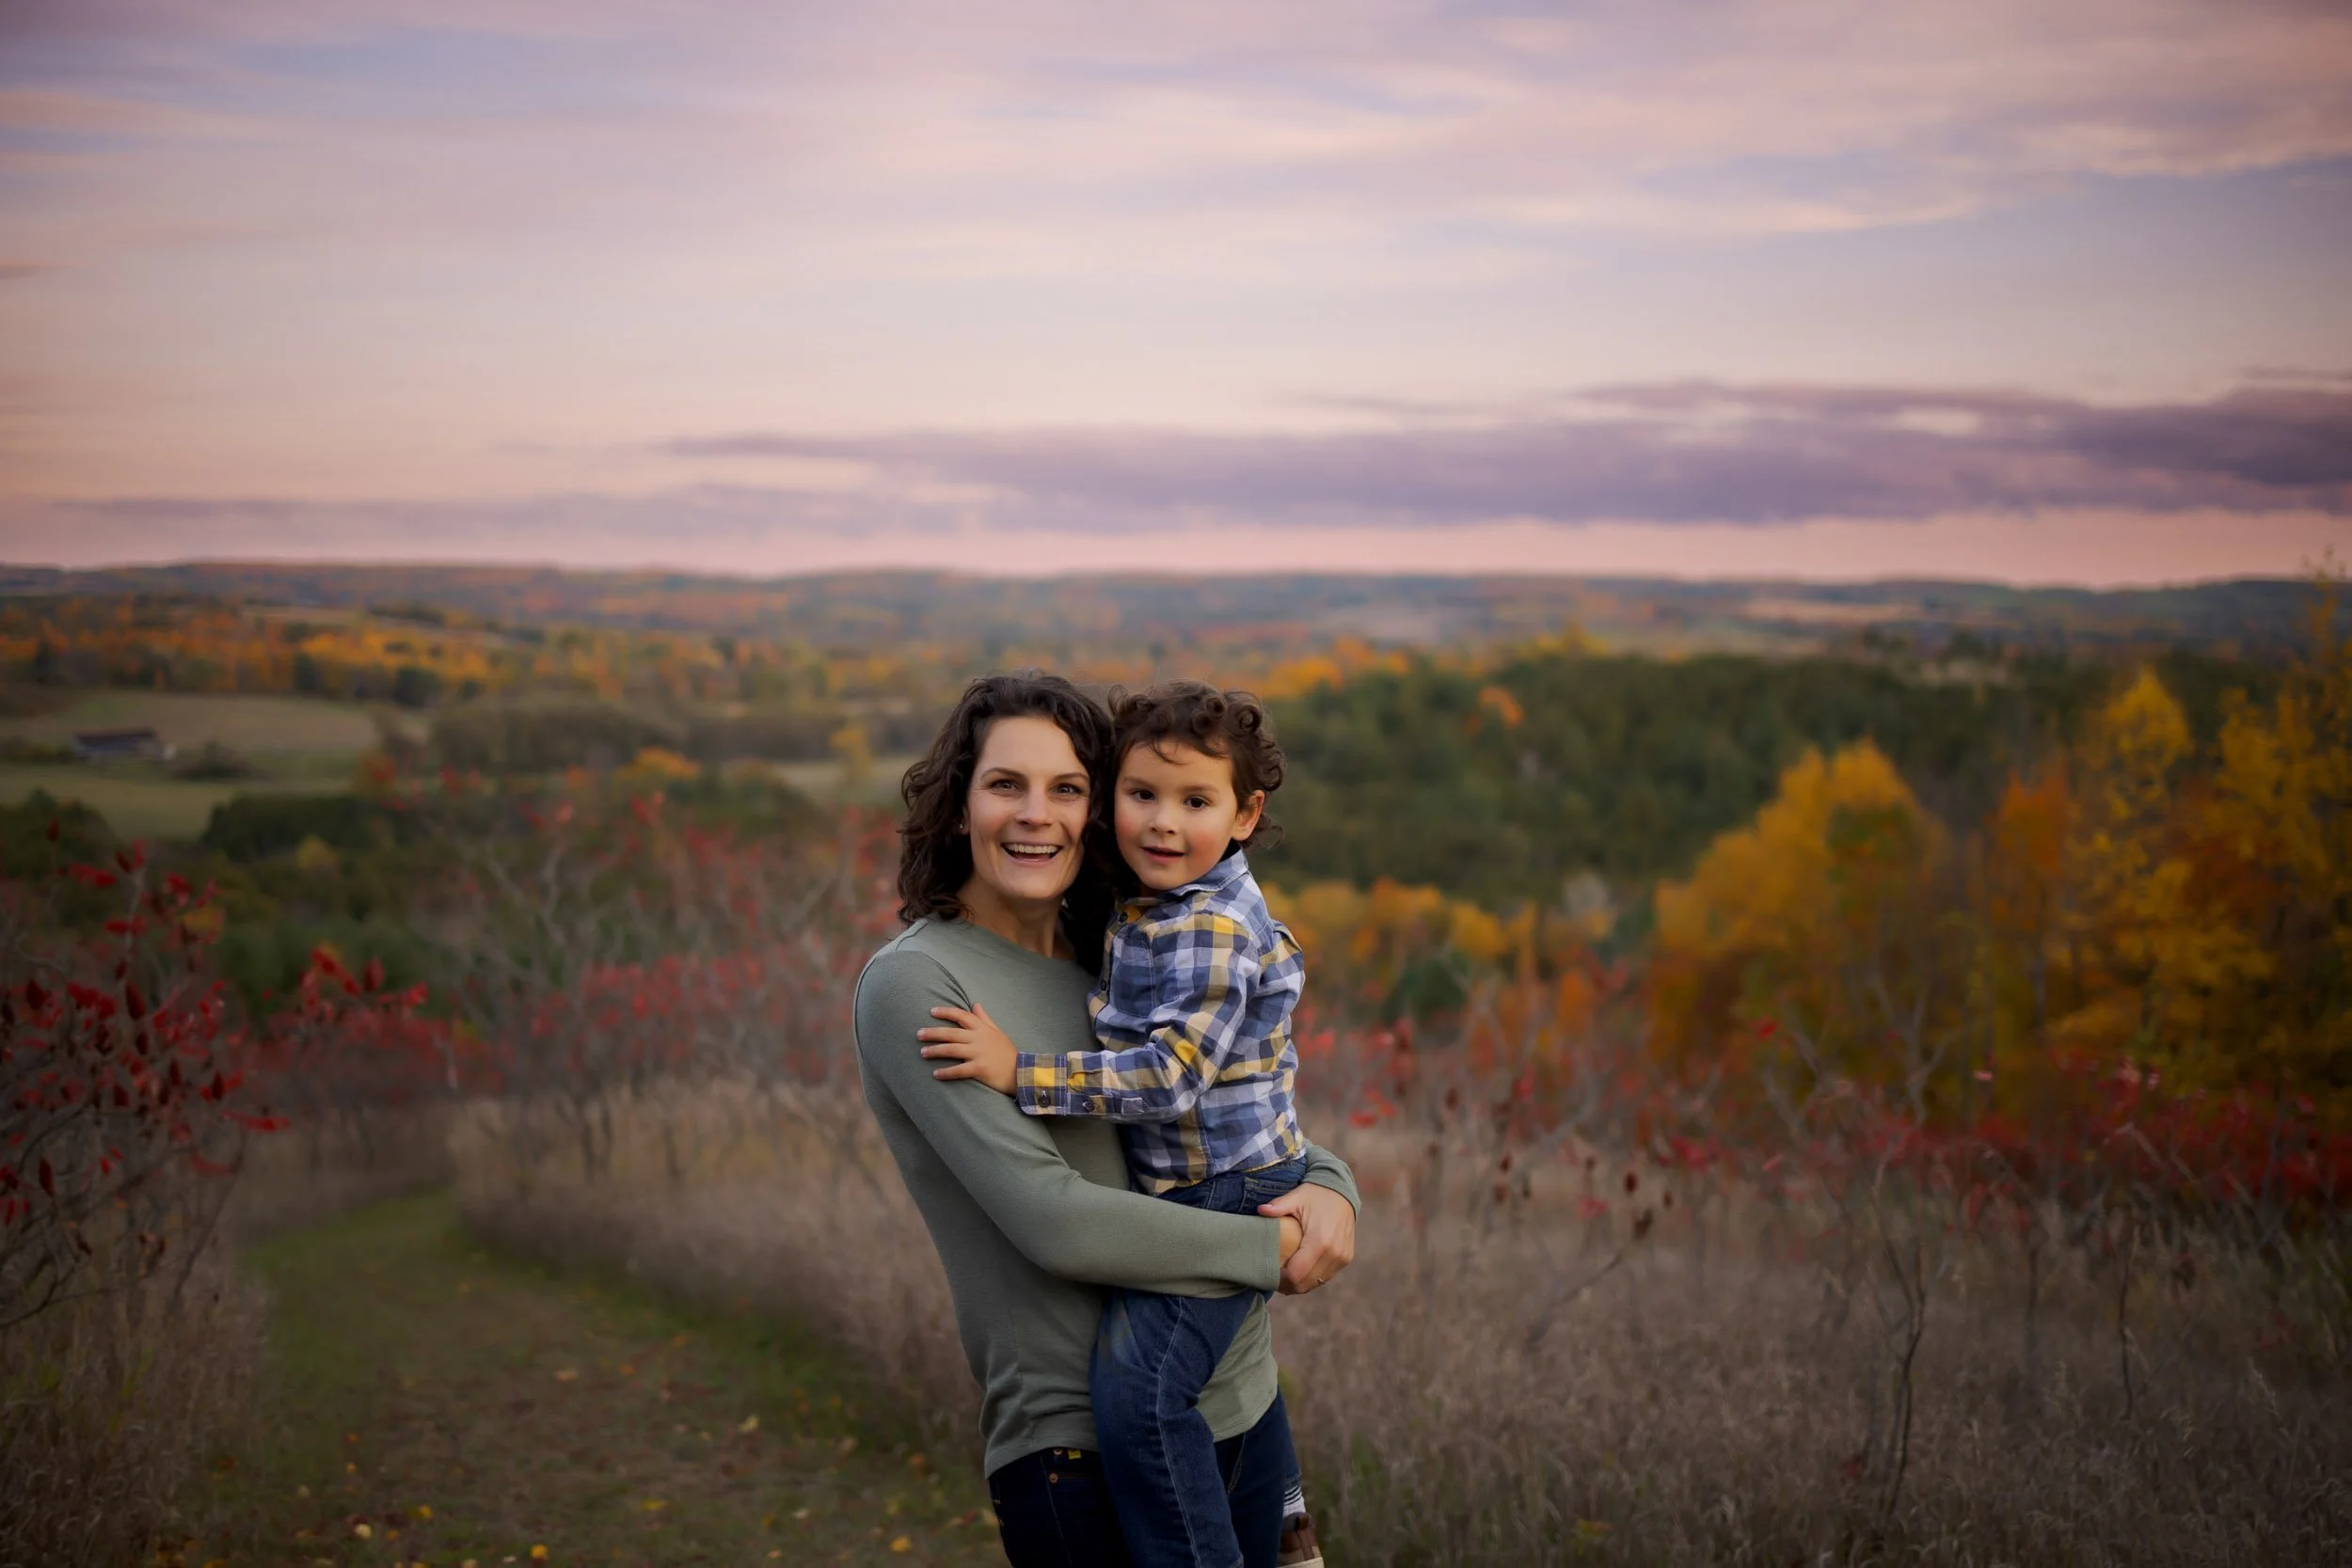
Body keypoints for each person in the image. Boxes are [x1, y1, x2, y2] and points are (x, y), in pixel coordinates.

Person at [851, 673, 1358, 1568]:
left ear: (1097, 812)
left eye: (1067, 788)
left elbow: (1234, 1102)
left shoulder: (1125, 948)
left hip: (1238, 1400)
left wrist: (1332, 1186)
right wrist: (1271, 1249)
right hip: (1077, 1448)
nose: (1035, 814)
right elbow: (1056, 1218)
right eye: (1006, 783)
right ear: (959, 803)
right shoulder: (921, 984)